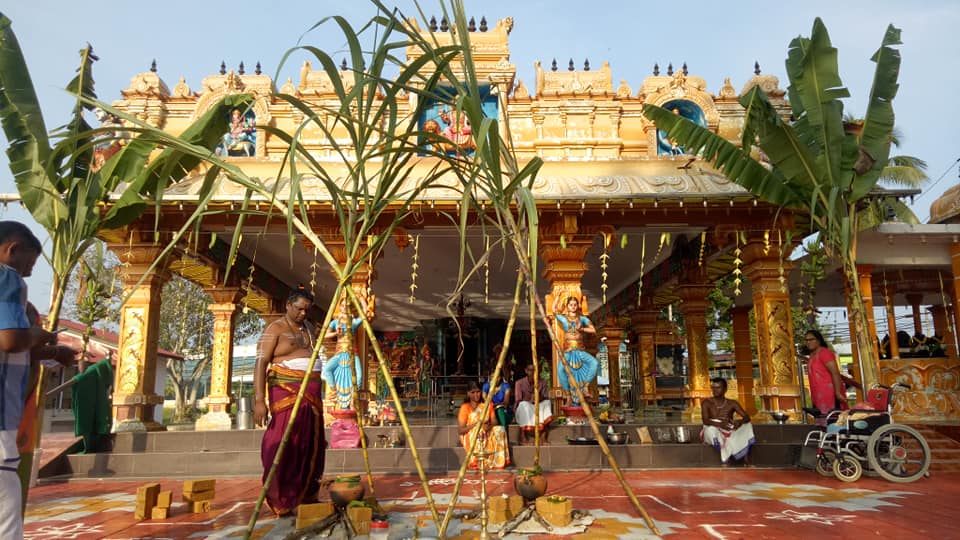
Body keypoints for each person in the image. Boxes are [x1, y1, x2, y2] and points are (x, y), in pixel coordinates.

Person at [0, 222, 75, 537]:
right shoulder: (7, 279)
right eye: (27, 264)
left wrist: (51, 351)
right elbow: (11, 340)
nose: (28, 274)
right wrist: (38, 333)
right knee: (5, 494)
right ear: (12, 250)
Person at [253, 288, 323, 516]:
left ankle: (305, 493)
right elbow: (260, 364)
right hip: (286, 390)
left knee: (310, 442)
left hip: (312, 393)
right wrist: (259, 400)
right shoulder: (274, 329)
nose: (303, 313)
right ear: (288, 305)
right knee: (284, 439)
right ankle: (281, 496)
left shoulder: (310, 328)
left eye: (306, 310)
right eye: (299, 308)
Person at [553, 296, 599, 405]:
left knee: (594, 363)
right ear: (567, 307)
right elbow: (554, 311)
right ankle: (568, 395)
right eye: (570, 305)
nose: (573, 307)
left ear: (577, 306)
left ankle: (586, 387)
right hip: (568, 351)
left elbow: (593, 329)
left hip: (579, 350)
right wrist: (557, 298)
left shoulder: (582, 319)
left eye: (575, 305)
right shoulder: (564, 318)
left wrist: (582, 329)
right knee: (560, 370)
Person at [700, 377, 754, 466]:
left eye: (718, 388)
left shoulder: (732, 403)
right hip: (713, 430)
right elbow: (705, 421)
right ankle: (726, 458)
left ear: (725, 389)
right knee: (711, 430)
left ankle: (743, 456)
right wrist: (720, 424)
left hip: (729, 430)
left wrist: (739, 422)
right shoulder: (706, 403)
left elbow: (746, 417)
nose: (714, 390)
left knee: (747, 425)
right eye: (713, 387)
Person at [321, 300, 363, 411]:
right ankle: (334, 391)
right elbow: (325, 335)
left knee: (359, 377)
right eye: (343, 305)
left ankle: (353, 397)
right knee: (327, 370)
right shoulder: (335, 322)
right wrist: (336, 333)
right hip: (339, 353)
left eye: (347, 305)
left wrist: (362, 300)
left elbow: (364, 316)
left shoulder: (353, 322)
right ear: (339, 307)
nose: (344, 307)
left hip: (352, 354)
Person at [457, 381, 509, 469]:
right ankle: (478, 461)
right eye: (473, 392)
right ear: (468, 393)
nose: (476, 395)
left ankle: (497, 461)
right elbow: (461, 430)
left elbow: (495, 421)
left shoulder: (487, 405)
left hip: (487, 431)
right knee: (478, 431)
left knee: (500, 430)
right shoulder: (465, 407)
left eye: (478, 392)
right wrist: (477, 425)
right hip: (471, 433)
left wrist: (488, 427)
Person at [804, 330, 847, 426]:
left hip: (830, 394)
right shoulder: (812, 355)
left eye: (811, 339)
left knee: (832, 420)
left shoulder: (825, 353)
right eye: (806, 340)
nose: (808, 342)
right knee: (821, 420)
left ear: (819, 340)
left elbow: (835, 373)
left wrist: (837, 392)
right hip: (818, 395)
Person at [514, 363, 553, 445]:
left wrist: (539, 397)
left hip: (538, 406)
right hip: (525, 408)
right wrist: (530, 398)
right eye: (530, 370)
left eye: (535, 370)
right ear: (526, 371)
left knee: (547, 403)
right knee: (523, 405)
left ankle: (544, 435)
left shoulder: (542, 382)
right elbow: (518, 400)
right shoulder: (519, 383)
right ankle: (523, 436)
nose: (533, 373)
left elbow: (546, 397)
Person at [481, 365, 513, 439]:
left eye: (497, 376)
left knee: (499, 409)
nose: (494, 379)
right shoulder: (486, 386)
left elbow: (506, 402)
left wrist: (496, 405)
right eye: (492, 376)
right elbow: (485, 400)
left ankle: (504, 435)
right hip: (490, 412)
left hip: (504, 412)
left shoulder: (506, 386)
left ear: (501, 377)